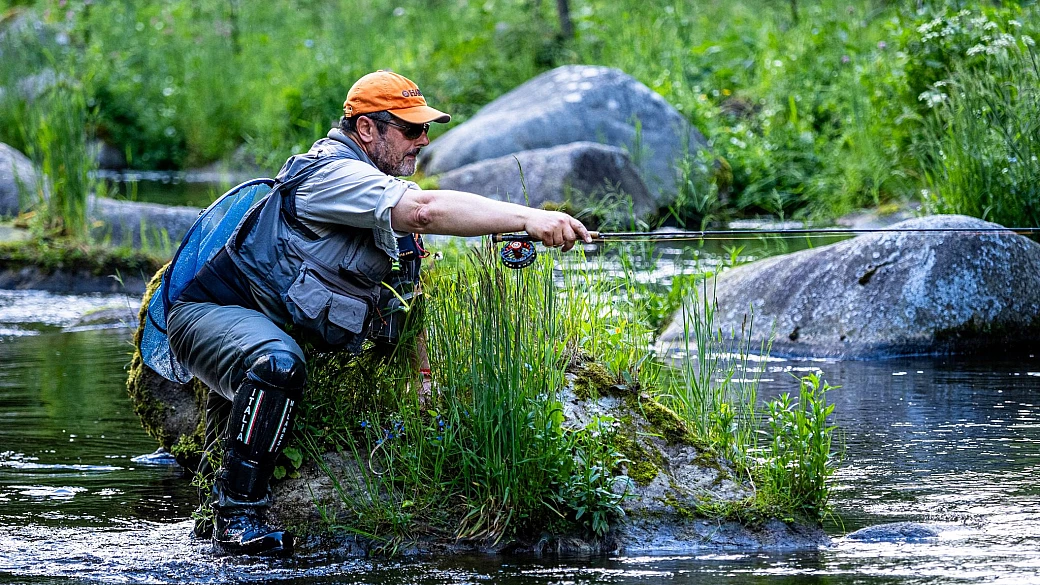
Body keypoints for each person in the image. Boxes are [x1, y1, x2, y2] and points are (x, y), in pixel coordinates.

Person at [166, 70, 590, 557]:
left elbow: (408, 301)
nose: (423, 141)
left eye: (425, 129)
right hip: (210, 312)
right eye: (410, 130)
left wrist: (423, 383)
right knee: (278, 365)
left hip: (268, 323)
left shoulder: (382, 192)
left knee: (280, 359)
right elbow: (427, 210)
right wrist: (530, 217)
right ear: (367, 129)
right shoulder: (332, 174)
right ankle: (237, 517)